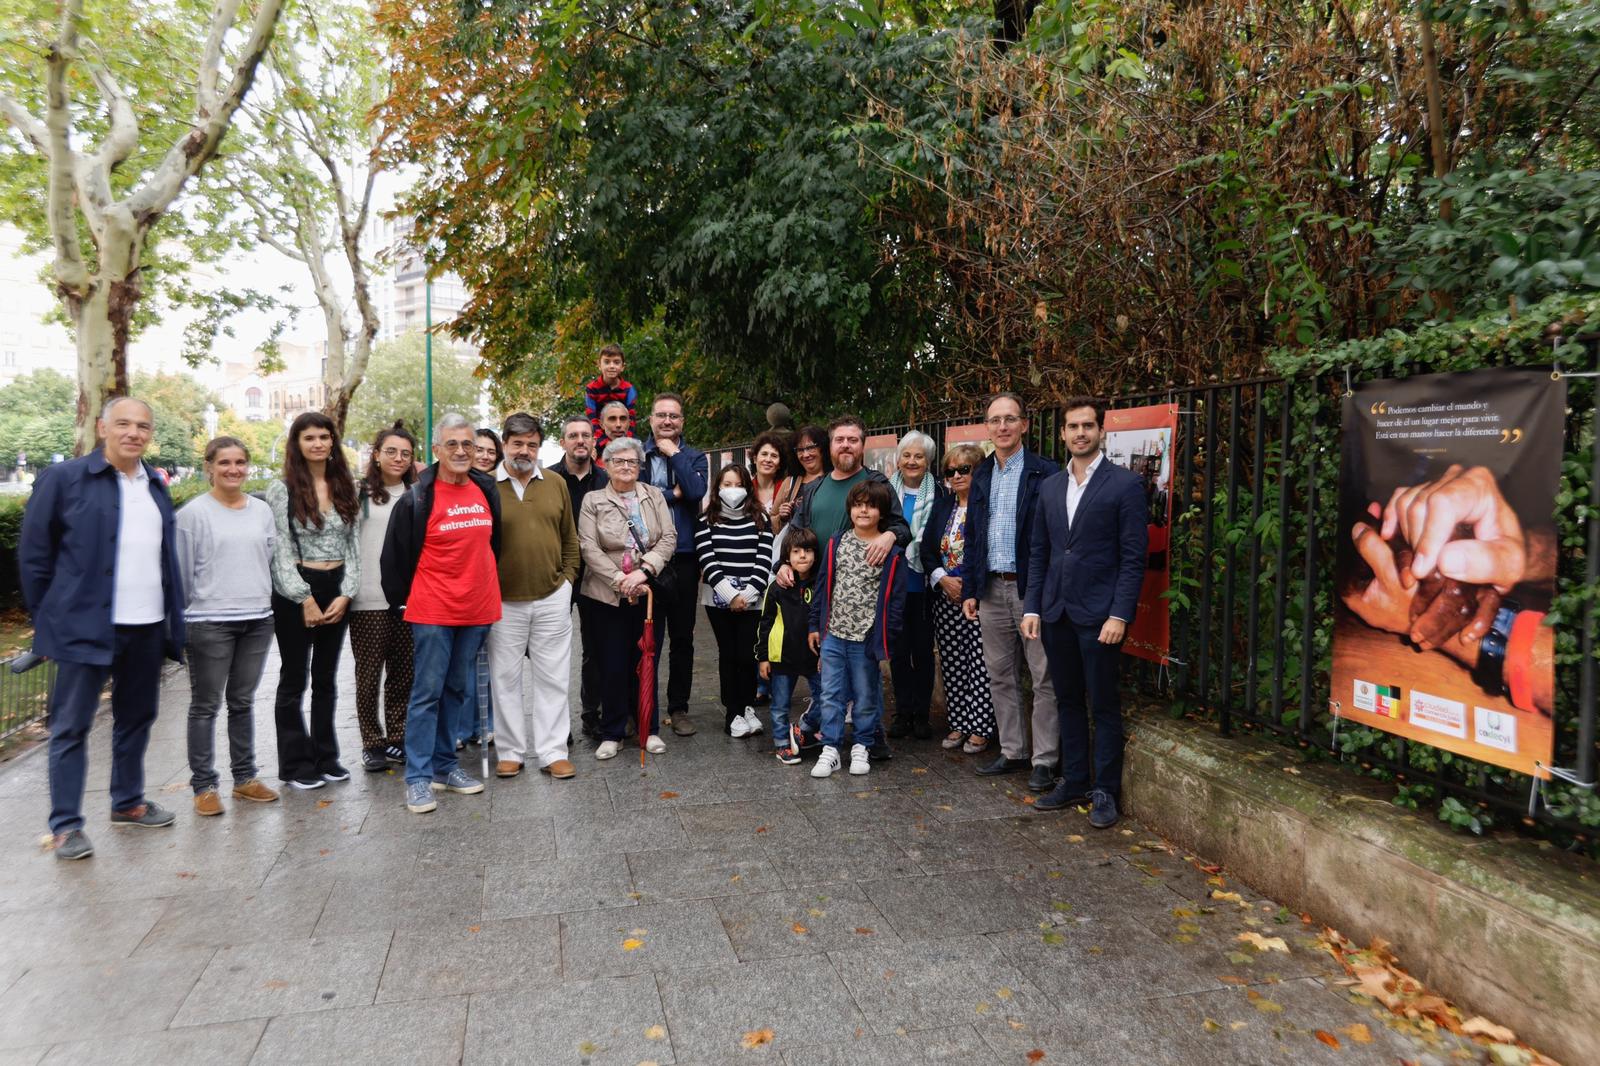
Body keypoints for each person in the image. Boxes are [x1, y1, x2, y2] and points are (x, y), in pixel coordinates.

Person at [19, 397, 185, 859]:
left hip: (146, 625)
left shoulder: (155, 484)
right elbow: (34, 558)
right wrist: (47, 624)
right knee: (71, 727)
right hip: (83, 627)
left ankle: (128, 802)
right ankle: (66, 825)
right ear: (101, 427)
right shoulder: (64, 479)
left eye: (143, 426)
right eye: (124, 424)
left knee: (137, 718)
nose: (134, 433)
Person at [1022, 398, 1148, 827]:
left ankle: (1105, 791)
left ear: (1101, 431)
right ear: (1062, 433)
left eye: (1088, 426)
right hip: (1056, 613)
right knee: (1068, 700)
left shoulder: (1125, 485)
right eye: (1073, 426)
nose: (1080, 433)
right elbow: (1040, 552)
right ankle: (1074, 780)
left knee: (1104, 705)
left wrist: (1120, 615)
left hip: (1100, 617)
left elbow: (1133, 559)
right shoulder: (1050, 487)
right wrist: (1033, 606)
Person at [381, 413, 504, 813]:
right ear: (436, 450)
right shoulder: (417, 497)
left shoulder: (486, 488)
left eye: (468, 444)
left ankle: (445, 767)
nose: (462, 451)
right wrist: (404, 603)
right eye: (452, 444)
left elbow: (493, 545)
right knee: (427, 693)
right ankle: (417, 778)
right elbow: (394, 559)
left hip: (477, 608)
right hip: (433, 610)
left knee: (456, 689)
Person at [778, 415, 910, 758]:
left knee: (865, 672)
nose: (846, 445)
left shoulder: (876, 483)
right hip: (821, 593)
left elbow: (902, 528)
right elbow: (795, 534)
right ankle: (825, 730)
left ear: (863, 445)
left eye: (853, 439)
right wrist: (783, 564)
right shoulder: (815, 488)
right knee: (829, 672)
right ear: (830, 446)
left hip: (863, 596)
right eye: (840, 439)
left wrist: (890, 536)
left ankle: (869, 739)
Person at [176, 436, 280, 816]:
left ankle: (245, 778)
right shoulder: (192, 515)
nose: (233, 469)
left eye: (239, 462)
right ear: (209, 467)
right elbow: (182, 572)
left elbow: (269, 557)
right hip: (209, 623)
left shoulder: (261, 511)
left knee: (242, 701)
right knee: (206, 705)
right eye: (224, 463)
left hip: (257, 619)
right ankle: (204, 786)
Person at [962, 392, 1060, 791]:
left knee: (1043, 676)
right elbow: (973, 535)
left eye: (1010, 419)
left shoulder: (1045, 472)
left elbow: (1054, 535)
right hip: (990, 588)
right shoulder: (982, 473)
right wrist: (971, 588)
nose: (1002, 426)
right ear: (987, 428)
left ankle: (1045, 760)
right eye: (995, 420)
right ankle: (1014, 750)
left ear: (1025, 424)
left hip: (1030, 590)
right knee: (1000, 675)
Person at [267, 411, 361, 791]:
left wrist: (346, 592)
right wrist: (303, 598)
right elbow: (280, 549)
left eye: (324, 436)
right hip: (296, 587)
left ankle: (326, 756)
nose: (318, 443)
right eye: (309, 438)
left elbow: (353, 545)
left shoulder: (345, 485)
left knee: (325, 678)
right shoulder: (282, 489)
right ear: (297, 444)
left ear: (332, 441)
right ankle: (295, 764)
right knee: (294, 678)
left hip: (336, 586)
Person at [490, 413, 581, 779]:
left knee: (553, 679)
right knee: (505, 680)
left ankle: (553, 752)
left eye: (531, 444)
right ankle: (510, 752)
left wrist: (567, 582)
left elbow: (570, 539)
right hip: (502, 602)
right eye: (517, 444)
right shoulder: (486, 486)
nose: (524, 451)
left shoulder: (555, 483)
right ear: (504, 445)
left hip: (551, 596)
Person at [577, 436, 677, 759]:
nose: (625, 466)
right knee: (612, 663)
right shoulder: (593, 500)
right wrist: (620, 579)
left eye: (632, 461)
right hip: (606, 594)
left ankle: (649, 729)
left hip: (648, 592)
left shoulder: (653, 495)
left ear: (640, 466)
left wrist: (643, 572)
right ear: (606, 465)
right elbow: (588, 546)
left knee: (647, 661)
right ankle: (613, 731)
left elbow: (668, 537)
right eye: (618, 461)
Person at [807, 480, 908, 778]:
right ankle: (830, 747)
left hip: (865, 638)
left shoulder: (891, 552)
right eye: (858, 505)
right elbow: (823, 585)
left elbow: (897, 600)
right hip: (834, 635)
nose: (864, 510)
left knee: (865, 696)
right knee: (830, 694)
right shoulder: (837, 542)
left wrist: (886, 637)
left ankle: (862, 745)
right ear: (850, 509)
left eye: (871, 506)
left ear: (882, 512)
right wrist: (815, 625)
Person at [349, 422, 417, 773]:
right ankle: (372, 742)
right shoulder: (358, 495)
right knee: (369, 675)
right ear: (376, 455)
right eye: (391, 451)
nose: (398, 458)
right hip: (368, 598)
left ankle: (398, 736)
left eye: (405, 453)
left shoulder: (417, 494)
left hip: (409, 599)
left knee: (403, 673)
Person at [641, 392, 709, 736]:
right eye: (661, 415)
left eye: (674, 416)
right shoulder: (636, 454)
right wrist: (670, 495)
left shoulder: (694, 457)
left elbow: (695, 492)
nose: (667, 421)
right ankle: (644, 709)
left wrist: (674, 454)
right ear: (651, 419)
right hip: (643, 558)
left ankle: (678, 708)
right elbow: (631, 496)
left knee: (682, 637)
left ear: (682, 421)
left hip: (683, 556)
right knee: (646, 638)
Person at [924, 444, 997, 753]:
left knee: (980, 662)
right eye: (950, 471)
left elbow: (989, 550)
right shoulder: (943, 506)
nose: (956, 476)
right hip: (946, 596)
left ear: (978, 471)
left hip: (980, 595)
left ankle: (980, 726)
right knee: (953, 661)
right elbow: (927, 549)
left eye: (964, 469)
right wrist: (942, 579)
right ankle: (958, 723)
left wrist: (970, 587)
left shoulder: (988, 505)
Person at [696, 464, 774, 736]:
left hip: (753, 598)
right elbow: (707, 559)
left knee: (747, 654)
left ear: (748, 488)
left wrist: (748, 595)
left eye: (738, 484)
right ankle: (733, 713)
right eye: (726, 484)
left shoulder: (761, 518)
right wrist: (730, 595)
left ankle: (747, 706)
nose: (732, 490)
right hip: (718, 600)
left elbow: (764, 559)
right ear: (717, 488)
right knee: (728, 654)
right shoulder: (706, 520)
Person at [548, 414, 609, 741]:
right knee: (552, 652)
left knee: (595, 649)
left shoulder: (606, 480)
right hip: (558, 573)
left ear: (594, 441)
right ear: (563, 442)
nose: (580, 441)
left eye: (586, 435)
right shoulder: (547, 479)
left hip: (597, 574)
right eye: (573, 435)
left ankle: (591, 715)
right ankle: (556, 725)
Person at [887, 431, 940, 741]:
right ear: (898, 459)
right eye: (906, 455)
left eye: (918, 456)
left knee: (922, 652)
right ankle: (902, 712)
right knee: (897, 652)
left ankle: (921, 715)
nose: (912, 461)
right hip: (893, 584)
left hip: (924, 585)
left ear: (928, 461)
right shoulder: (886, 492)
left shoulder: (940, 493)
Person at [758, 527, 822, 765]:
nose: (802, 556)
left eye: (808, 551)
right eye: (796, 551)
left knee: (827, 696)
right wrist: (763, 657)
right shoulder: (777, 587)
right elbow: (765, 623)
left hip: (813, 655)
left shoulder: (820, 584)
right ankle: (782, 745)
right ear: (787, 556)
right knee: (780, 705)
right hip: (782, 656)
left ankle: (802, 730)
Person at [586, 342, 638, 452]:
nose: (611, 366)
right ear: (599, 365)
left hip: (623, 434)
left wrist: (624, 441)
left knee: (637, 451)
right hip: (600, 435)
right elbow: (592, 419)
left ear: (622, 367)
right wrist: (604, 442)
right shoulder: (592, 389)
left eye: (616, 362)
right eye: (607, 362)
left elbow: (631, 419)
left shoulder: (629, 389)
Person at [778, 424, 831, 530]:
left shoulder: (834, 480)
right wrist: (782, 516)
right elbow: (772, 521)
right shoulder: (789, 483)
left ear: (822, 448)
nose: (806, 455)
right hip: (794, 540)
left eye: (810, 448)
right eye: (800, 450)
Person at [749, 431, 797, 533]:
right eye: (764, 454)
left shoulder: (788, 490)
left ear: (779, 464)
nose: (768, 460)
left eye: (774, 456)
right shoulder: (745, 489)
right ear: (755, 459)